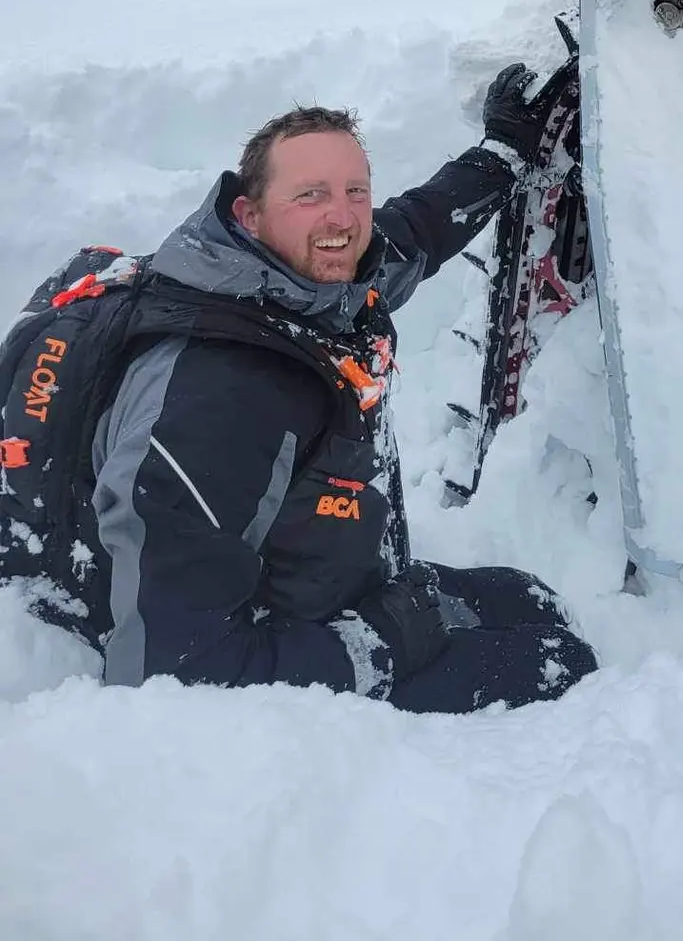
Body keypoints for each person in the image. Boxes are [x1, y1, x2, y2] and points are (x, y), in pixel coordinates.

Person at [0, 69, 597, 714]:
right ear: (248, 214)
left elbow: (416, 230)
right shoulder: (219, 398)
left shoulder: (305, 278)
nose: (341, 216)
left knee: (532, 599)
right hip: (273, 640)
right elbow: (176, 673)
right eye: (310, 194)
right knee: (563, 665)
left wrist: (503, 155)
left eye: (355, 192)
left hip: (315, 574)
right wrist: (383, 641)